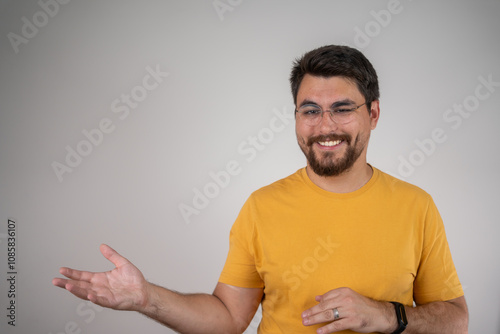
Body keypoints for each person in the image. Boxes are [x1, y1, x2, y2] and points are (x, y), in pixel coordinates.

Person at [53, 45, 468, 333]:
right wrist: (147, 298)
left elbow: (456, 321)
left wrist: (387, 315)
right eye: (310, 110)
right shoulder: (262, 207)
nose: (325, 126)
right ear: (296, 117)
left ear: (373, 113)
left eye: (342, 109)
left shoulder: (417, 206)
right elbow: (228, 319)